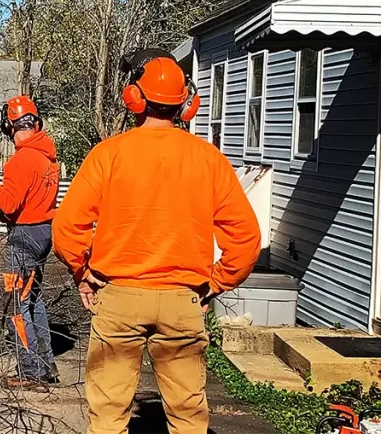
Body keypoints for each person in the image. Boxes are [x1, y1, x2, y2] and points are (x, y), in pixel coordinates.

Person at [52, 50, 261, 434]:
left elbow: (67, 227)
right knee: (187, 415)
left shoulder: (108, 154)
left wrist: (83, 272)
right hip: (184, 300)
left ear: (134, 98)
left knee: (108, 415)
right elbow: (246, 239)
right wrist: (217, 281)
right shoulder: (209, 159)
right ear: (186, 103)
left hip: (118, 298)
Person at [0, 95, 60, 388]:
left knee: (17, 305)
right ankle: (46, 364)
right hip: (43, 232)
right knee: (34, 300)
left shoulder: (20, 161)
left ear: (10, 125)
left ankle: (31, 372)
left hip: (24, 238)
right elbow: (28, 203)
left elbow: (11, 204)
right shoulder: (48, 159)